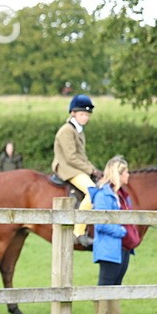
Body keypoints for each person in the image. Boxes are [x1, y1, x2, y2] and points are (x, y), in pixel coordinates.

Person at [91, 156, 136, 314]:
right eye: (125, 171)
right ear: (118, 174)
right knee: (105, 284)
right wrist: (122, 232)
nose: (128, 174)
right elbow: (100, 223)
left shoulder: (122, 196)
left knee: (117, 284)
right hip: (110, 247)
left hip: (123, 247)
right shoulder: (103, 195)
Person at [52, 94, 99, 247]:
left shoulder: (78, 130)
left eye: (87, 115)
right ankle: (78, 232)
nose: (85, 117)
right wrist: (91, 170)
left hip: (76, 167)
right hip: (68, 169)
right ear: (73, 113)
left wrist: (94, 169)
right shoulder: (67, 130)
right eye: (82, 114)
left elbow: (82, 157)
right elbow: (71, 157)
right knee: (92, 192)